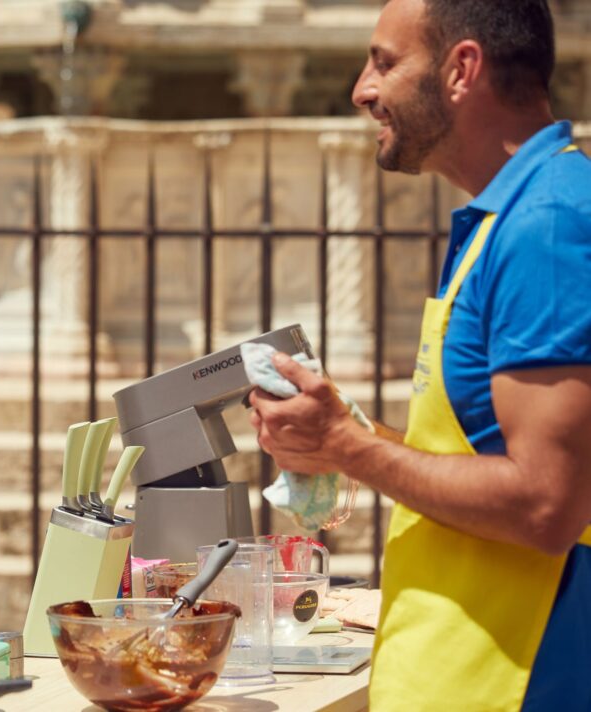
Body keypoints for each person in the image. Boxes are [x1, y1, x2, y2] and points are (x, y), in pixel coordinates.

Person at [249, 1, 591, 710]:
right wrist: (344, 429)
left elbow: (546, 502)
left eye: (384, 62)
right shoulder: (504, 218)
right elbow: (478, 460)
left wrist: (352, 450)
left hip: (520, 684)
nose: (362, 90)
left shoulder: (548, 225)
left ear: (462, 69)